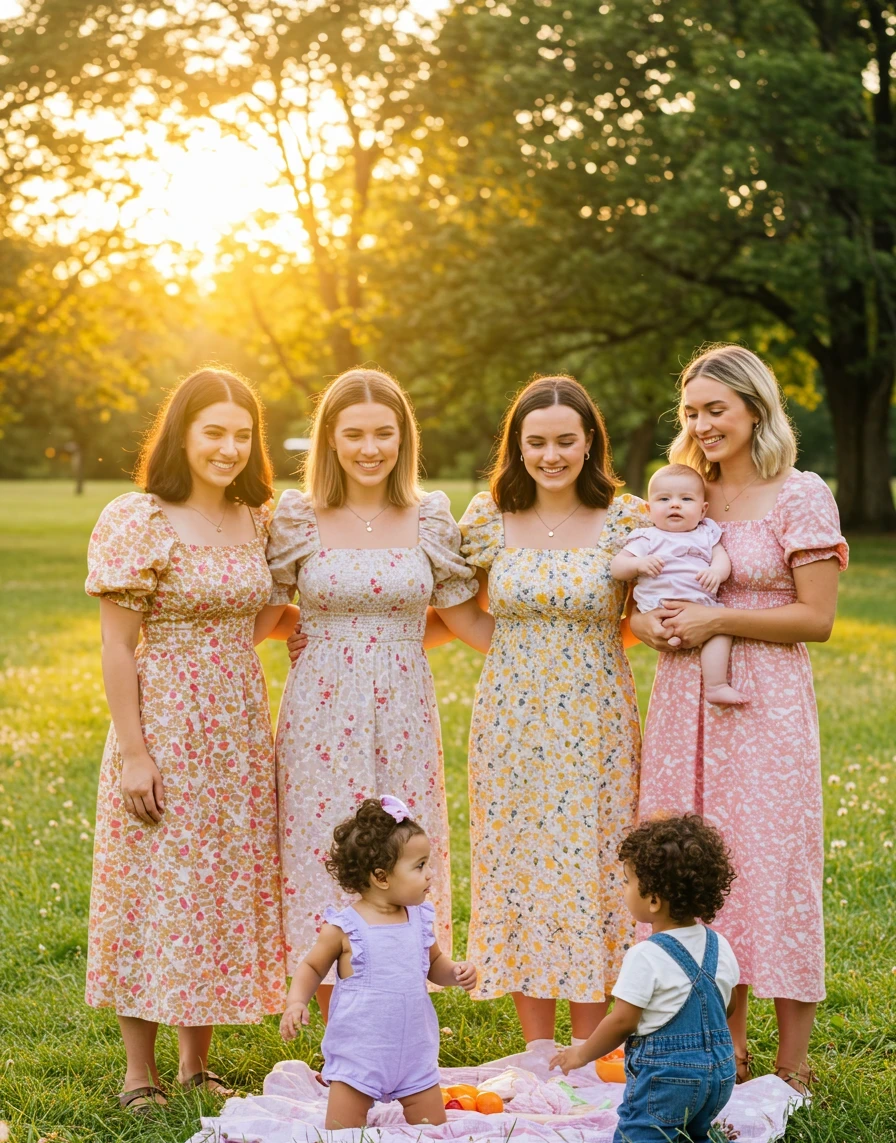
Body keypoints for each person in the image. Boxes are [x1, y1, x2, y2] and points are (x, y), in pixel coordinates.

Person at [629, 344, 848, 1097]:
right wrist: (653, 628)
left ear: (755, 408)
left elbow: (817, 618)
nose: (702, 424)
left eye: (715, 409)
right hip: (683, 699)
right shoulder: (684, 491)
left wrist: (718, 618)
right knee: (695, 865)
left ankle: (793, 1061)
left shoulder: (800, 494)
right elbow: (646, 592)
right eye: (691, 411)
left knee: (771, 862)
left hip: (763, 701)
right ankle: (726, 1047)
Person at [85, 367, 297, 1113]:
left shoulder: (257, 517)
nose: (228, 448)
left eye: (242, 434)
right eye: (213, 432)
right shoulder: (139, 517)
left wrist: (301, 627)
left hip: (236, 730)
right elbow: (117, 645)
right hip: (166, 723)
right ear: (182, 434)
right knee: (151, 887)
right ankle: (138, 1073)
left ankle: (195, 1065)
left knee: (210, 888)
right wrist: (135, 752)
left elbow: (255, 616)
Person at [267, 368, 492, 1018]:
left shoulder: (429, 516)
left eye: (384, 433)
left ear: (403, 438)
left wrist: (563, 642)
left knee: (401, 848)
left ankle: (395, 1007)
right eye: (354, 434)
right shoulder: (299, 516)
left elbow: (463, 619)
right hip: (320, 709)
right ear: (330, 440)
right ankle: (334, 1023)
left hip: (403, 706)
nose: (370, 448)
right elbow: (263, 607)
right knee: (323, 846)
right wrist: (310, 631)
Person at [449, 374, 651, 1052]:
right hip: (509, 718)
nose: (551, 455)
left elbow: (641, 618)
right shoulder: (489, 517)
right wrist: (521, 656)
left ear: (590, 441)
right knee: (521, 866)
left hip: (596, 717)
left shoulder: (626, 520)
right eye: (536, 442)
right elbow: (464, 613)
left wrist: (581, 652)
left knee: (595, 863)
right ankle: (539, 1048)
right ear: (517, 445)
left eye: (566, 440)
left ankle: (589, 1048)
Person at [551, 814, 773, 1143]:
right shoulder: (719, 945)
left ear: (653, 900)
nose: (624, 889)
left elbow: (621, 1021)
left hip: (670, 1079)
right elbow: (727, 1005)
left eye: (628, 882)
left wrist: (581, 1053)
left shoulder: (646, 955)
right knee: (691, 1134)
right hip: (719, 1077)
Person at [280, 796, 477, 1129]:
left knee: (433, 1132)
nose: (430, 874)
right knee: (342, 1138)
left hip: (414, 1056)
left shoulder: (419, 919)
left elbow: (434, 963)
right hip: (359, 1057)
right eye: (420, 866)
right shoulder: (345, 928)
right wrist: (296, 1001)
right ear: (381, 877)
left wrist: (455, 972)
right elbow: (312, 967)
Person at [610, 463, 748, 705]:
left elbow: (721, 558)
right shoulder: (647, 537)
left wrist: (716, 572)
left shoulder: (706, 534)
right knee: (674, 629)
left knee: (721, 632)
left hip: (701, 607)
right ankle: (672, 637)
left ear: (703, 510)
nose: (675, 505)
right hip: (660, 607)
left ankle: (716, 685)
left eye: (686, 499)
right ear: (650, 509)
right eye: (664, 499)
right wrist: (639, 564)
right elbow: (617, 567)